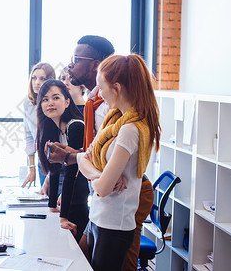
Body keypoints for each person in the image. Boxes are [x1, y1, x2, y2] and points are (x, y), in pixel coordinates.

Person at [47, 35, 154, 270]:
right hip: (104, 197)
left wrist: (95, 174)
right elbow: (93, 156)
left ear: (95, 64)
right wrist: (78, 160)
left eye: (76, 59)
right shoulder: (100, 103)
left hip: (122, 194)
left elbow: (103, 170)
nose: (70, 65)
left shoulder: (113, 109)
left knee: (122, 264)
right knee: (84, 257)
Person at [77, 54, 161, 270]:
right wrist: (98, 175)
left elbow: (104, 189)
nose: (98, 93)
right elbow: (82, 158)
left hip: (114, 224)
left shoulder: (130, 130)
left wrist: (99, 178)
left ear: (116, 87)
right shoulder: (113, 120)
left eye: (100, 86)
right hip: (98, 217)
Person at [36, 79, 88, 242]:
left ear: (67, 102)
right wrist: (52, 206)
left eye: (55, 98)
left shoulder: (76, 126)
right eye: (45, 99)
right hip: (73, 198)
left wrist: (63, 216)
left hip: (79, 197)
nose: (50, 103)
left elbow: (73, 172)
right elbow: (55, 169)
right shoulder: (55, 128)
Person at [21, 62, 55, 188]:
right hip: (42, 160)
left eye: (42, 78)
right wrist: (32, 168)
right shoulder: (28, 103)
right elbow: (29, 135)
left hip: (58, 159)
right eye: (34, 78)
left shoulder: (55, 103)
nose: (37, 82)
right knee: (45, 199)